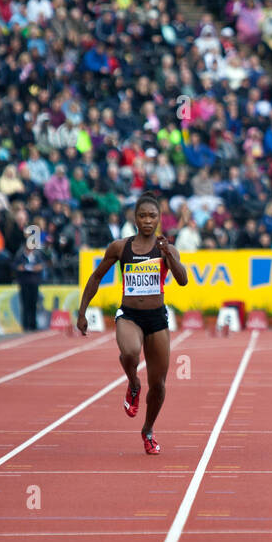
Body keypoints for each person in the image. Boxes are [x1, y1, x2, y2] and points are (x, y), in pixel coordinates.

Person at [76, 193, 189, 455]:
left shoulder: (167, 249)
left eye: (152, 216)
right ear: (135, 218)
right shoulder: (120, 247)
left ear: (159, 219)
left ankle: (148, 430)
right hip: (129, 315)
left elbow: (182, 280)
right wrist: (82, 312)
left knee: (159, 385)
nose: (147, 221)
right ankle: (133, 383)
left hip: (157, 319)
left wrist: (168, 256)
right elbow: (95, 277)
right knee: (129, 352)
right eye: (142, 216)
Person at [13, 241, 46, 331]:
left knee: (33, 304)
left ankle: (33, 324)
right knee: (25, 304)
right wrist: (22, 268)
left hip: (34, 283)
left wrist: (36, 268)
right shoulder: (20, 257)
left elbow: (41, 266)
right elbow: (15, 267)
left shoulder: (36, 256)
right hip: (24, 283)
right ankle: (25, 325)